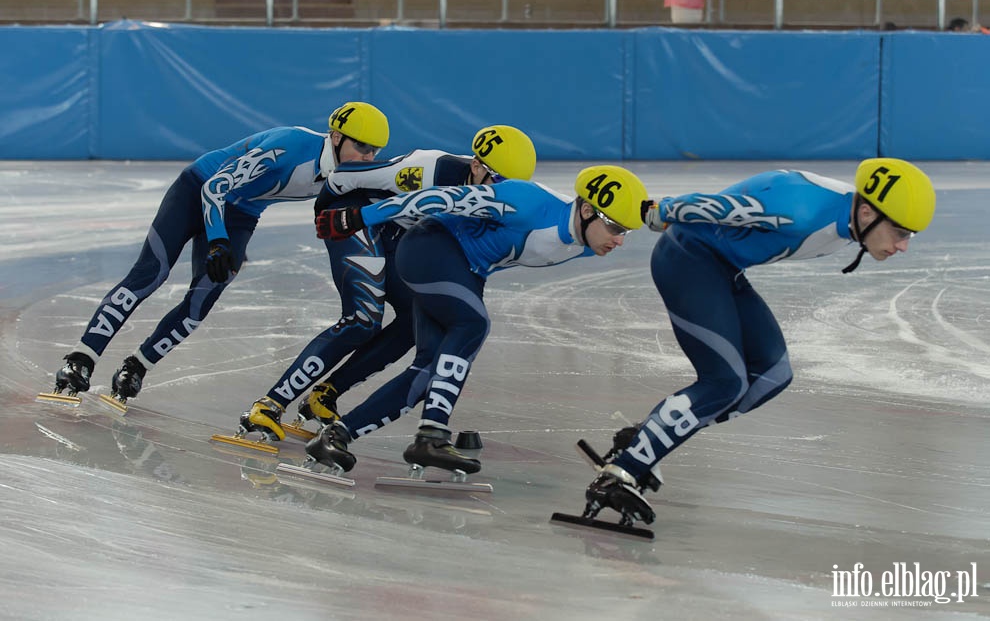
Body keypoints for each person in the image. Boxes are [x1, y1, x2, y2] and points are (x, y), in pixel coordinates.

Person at [579, 158, 937, 527]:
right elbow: (721, 207)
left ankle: (649, 437)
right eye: (900, 232)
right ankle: (620, 473)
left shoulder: (846, 216)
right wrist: (661, 210)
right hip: (686, 261)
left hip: (721, 269)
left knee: (772, 373)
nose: (903, 245)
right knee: (724, 382)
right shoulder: (803, 211)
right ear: (867, 212)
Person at [304, 164, 650, 476]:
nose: (620, 240)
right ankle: (432, 435)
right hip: (430, 248)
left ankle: (337, 436)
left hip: (465, 271)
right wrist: (361, 217)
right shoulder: (525, 202)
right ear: (587, 210)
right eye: (615, 227)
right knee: (472, 323)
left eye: (627, 232)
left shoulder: (590, 238)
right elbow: (441, 198)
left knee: (429, 371)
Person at [49, 101, 390, 404]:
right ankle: (82, 358)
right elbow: (216, 187)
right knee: (150, 274)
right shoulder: (293, 145)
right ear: (335, 137)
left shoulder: (347, 176)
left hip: (241, 215)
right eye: (362, 147)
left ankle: (137, 365)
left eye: (374, 151)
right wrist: (218, 240)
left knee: (203, 300)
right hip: (199, 187)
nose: (368, 157)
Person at [237, 125, 538, 442]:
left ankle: (325, 394)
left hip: (400, 237)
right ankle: (269, 405)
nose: (501, 192)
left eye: (513, 186)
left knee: (414, 321)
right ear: (476, 166)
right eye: (499, 181)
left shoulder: (499, 201)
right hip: (354, 215)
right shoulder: (428, 167)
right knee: (362, 319)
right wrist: (327, 214)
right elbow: (345, 177)